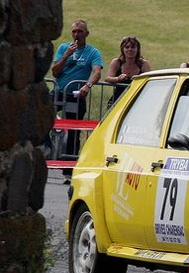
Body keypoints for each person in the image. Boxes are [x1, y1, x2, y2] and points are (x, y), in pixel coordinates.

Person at [51, 18, 103, 182]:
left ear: (86, 34)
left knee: (74, 130)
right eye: (74, 31)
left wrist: (87, 86)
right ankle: (45, 152)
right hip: (59, 91)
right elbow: (55, 72)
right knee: (41, 116)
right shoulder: (63, 48)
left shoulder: (92, 52)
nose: (76, 34)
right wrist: (66, 55)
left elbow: (96, 72)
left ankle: (68, 169)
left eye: (80, 31)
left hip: (76, 94)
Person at [105, 35, 151, 105]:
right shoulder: (116, 62)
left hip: (137, 100)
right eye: (127, 47)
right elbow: (108, 78)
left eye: (133, 47)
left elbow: (149, 81)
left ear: (137, 49)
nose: (130, 49)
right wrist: (118, 79)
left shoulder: (144, 64)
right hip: (118, 99)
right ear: (122, 49)